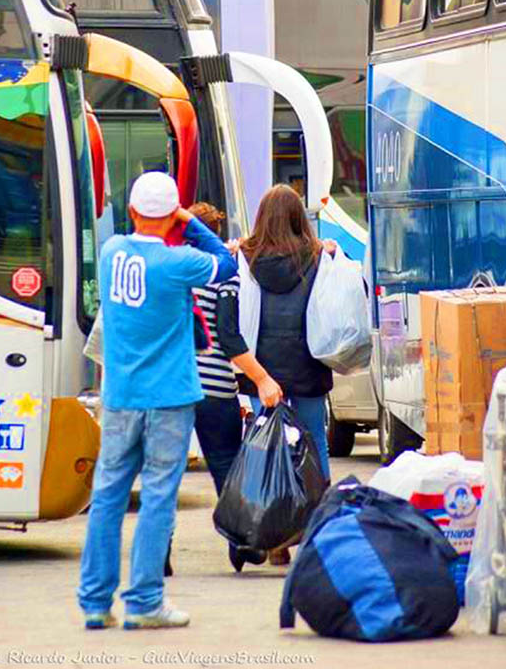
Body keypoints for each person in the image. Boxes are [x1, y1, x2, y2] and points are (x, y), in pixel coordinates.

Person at [78, 172, 237, 630]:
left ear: (130, 212)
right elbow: (225, 263)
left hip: (121, 395)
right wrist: (189, 222)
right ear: (172, 217)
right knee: (158, 497)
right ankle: (144, 601)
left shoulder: (112, 254)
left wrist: (172, 221)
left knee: (108, 497)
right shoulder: (178, 261)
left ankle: (94, 601)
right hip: (168, 396)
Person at [238, 184, 334, 565]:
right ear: (300, 219)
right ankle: (319, 530)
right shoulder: (317, 257)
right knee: (314, 444)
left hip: (260, 368)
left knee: (266, 447)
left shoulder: (246, 257)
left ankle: (273, 535)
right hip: (307, 362)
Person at [188, 202, 283, 572]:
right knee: (226, 468)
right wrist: (260, 377)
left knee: (162, 471)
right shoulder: (224, 275)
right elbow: (228, 336)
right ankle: (242, 542)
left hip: (172, 386)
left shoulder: (169, 268)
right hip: (214, 389)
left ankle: (160, 555)